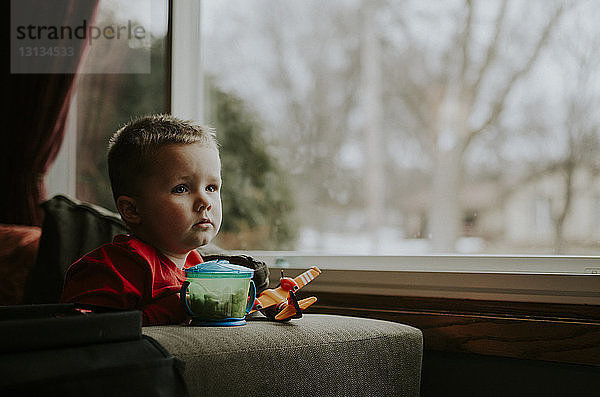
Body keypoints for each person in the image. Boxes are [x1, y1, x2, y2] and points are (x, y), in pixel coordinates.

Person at [61, 114, 230, 325]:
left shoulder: (197, 264)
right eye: (181, 189)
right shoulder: (114, 267)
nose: (205, 201)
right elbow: (81, 329)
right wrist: (171, 310)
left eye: (211, 187)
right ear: (132, 210)